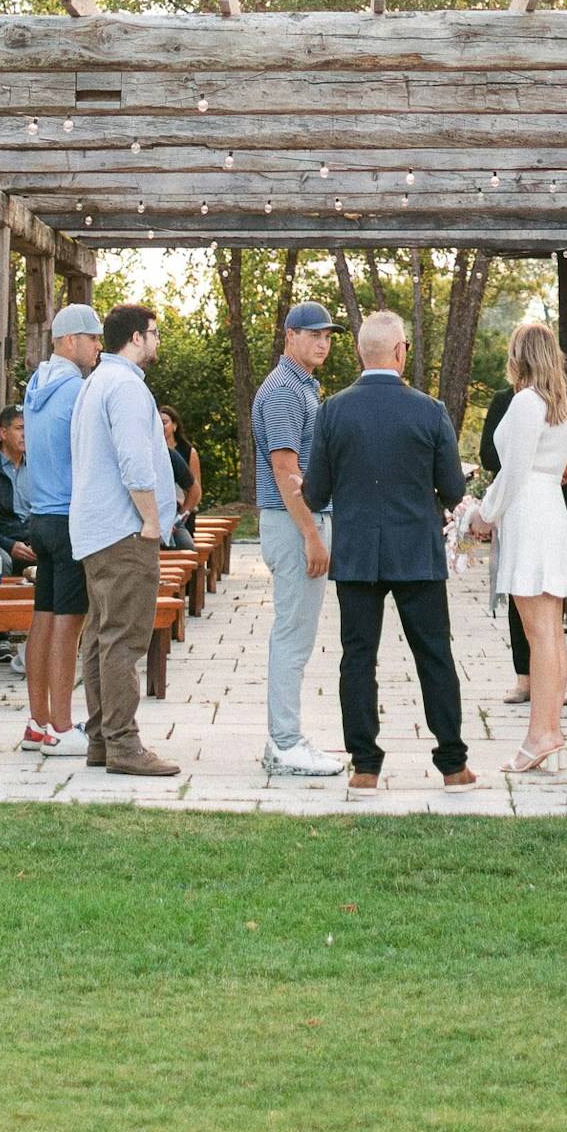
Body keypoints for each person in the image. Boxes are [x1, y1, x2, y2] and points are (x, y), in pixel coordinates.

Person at [300, 307, 475, 792]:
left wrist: (305, 487)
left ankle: (365, 766)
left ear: (360, 351)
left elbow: (316, 492)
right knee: (434, 655)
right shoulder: (430, 411)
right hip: (416, 549)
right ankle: (453, 763)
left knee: (357, 657)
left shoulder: (332, 409)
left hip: (357, 552)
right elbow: (453, 488)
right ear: (400, 352)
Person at [464, 320, 567, 773]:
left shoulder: (525, 403)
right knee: (550, 630)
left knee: (540, 632)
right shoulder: (557, 406)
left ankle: (542, 734)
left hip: (529, 512)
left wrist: (483, 515)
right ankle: (548, 731)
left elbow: (512, 472)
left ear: (520, 356)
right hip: (549, 508)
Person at [69, 301, 181, 778]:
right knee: (123, 639)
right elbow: (136, 463)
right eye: (153, 333)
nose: (157, 341)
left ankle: (100, 738)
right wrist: (152, 522)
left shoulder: (96, 383)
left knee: (98, 635)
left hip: (96, 529)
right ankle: (124, 745)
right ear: (135, 337)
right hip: (124, 529)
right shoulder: (128, 389)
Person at [252, 299, 345, 781]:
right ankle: (285, 743)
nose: (322, 343)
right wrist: (312, 534)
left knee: (296, 634)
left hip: (295, 521)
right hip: (293, 523)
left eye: (327, 336)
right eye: (313, 334)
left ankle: (285, 739)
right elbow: (286, 471)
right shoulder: (286, 390)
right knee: (293, 635)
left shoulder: (301, 385)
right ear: (289, 335)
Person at [15, 302, 102, 754]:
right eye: (92, 339)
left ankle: (37, 722)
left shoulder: (36, 386)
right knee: (70, 624)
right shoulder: (78, 391)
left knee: (43, 619)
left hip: (40, 517)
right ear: (70, 341)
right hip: (70, 517)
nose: (97, 348)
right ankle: (64, 729)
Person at [0, 408, 34, 579]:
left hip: (32, 541)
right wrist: (9, 545)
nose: (25, 434)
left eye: (28, 428)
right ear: (3, 433)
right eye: (19, 428)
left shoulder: (37, 467)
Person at [160, 407, 202, 546]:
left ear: (175, 425)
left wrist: (181, 513)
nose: (161, 427)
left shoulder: (186, 452)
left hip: (181, 514)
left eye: (164, 422)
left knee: (186, 548)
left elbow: (196, 492)